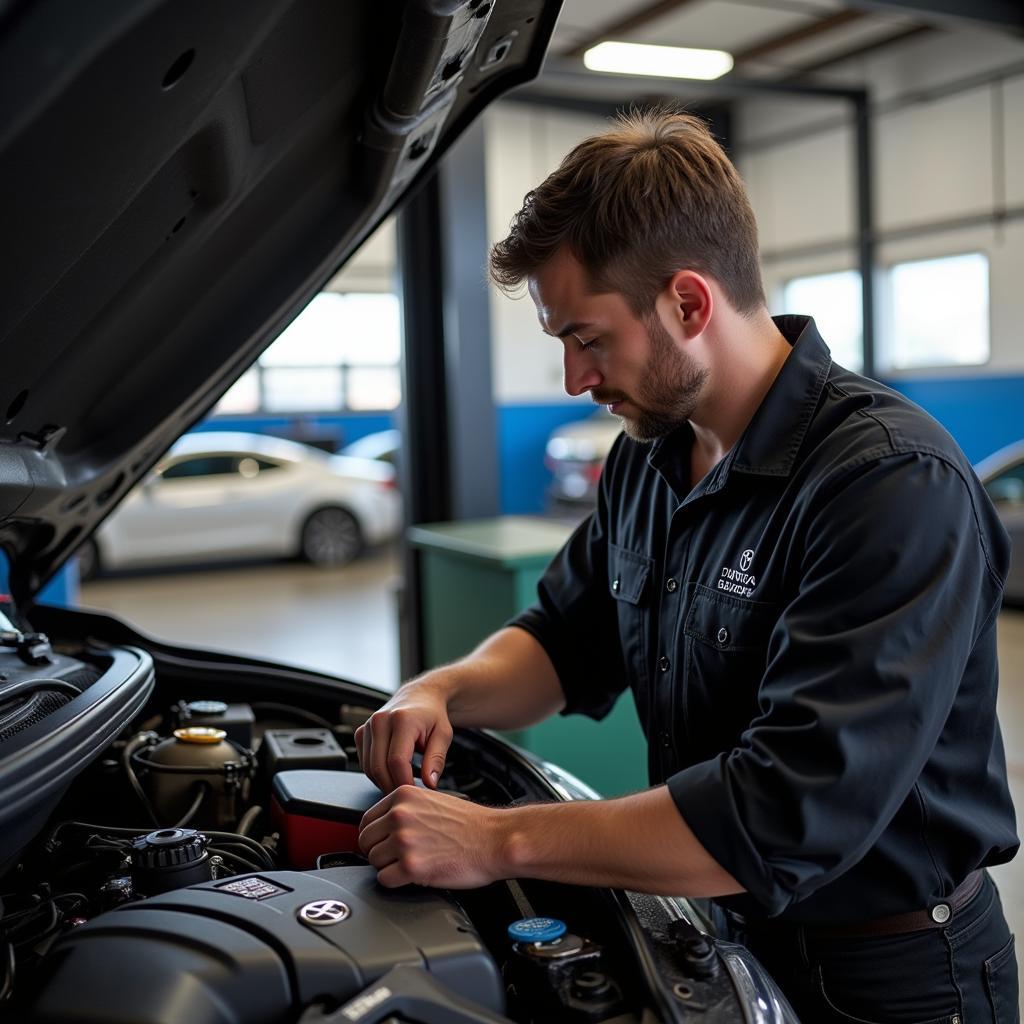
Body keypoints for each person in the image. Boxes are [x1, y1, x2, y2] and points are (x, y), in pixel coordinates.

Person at [354, 108, 1019, 1021]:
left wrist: (497, 841)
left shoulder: (889, 485)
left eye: (586, 338)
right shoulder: (647, 458)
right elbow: (562, 638)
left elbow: (779, 814)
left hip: (893, 976)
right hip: (724, 935)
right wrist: (440, 692)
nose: (574, 380)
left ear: (690, 304)